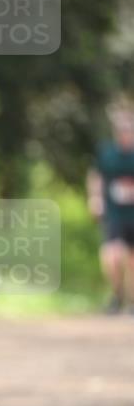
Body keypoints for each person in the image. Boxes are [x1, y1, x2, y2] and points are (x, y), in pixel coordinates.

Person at [87, 99, 134, 314]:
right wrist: (95, 199)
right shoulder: (107, 153)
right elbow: (96, 176)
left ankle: (131, 301)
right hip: (115, 214)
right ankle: (117, 294)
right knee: (112, 256)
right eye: (122, 130)